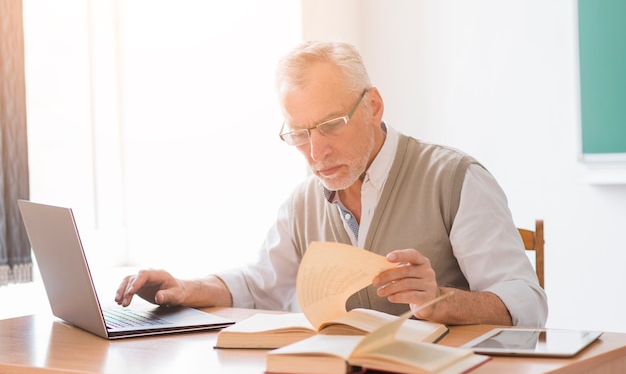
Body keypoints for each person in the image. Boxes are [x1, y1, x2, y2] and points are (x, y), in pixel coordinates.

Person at [115, 41, 548, 327]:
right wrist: (187, 289)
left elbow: (527, 302)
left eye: (330, 125)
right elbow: (259, 285)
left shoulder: (454, 178)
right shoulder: (302, 201)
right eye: (300, 133)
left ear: (373, 106)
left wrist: (440, 300)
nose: (316, 152)